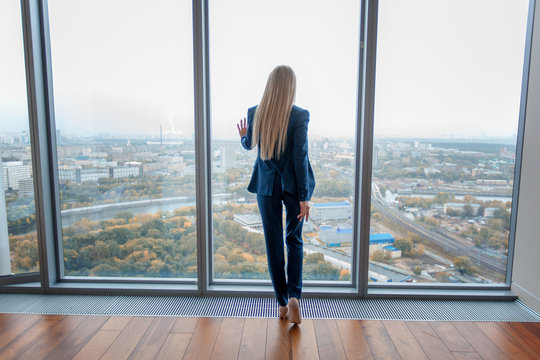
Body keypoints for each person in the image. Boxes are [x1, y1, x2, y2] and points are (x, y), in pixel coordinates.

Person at [236, 65, 315, 324]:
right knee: (294, 240)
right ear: (291, 87)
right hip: (293, 188)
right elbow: (300, 157)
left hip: (267, 187)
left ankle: (282, 303)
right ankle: (295, 297)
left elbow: (251, 145)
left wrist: (243, 138)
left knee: (273, 244)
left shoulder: (256, 113)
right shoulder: (300, 116)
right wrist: (304, 196)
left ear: (270, 85)